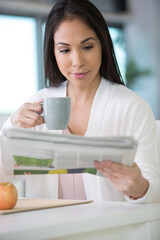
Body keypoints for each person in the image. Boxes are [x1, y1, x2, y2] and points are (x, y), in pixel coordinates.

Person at [1, 0, 160, 203]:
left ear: (102, 44)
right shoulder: (37, 105)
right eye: (65, 50)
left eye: (87, 46)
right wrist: (12, 128)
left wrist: (138, 187)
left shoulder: (131, 108)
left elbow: (153, 192)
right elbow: (3, 177)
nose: (77, 61)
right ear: (53, 52)